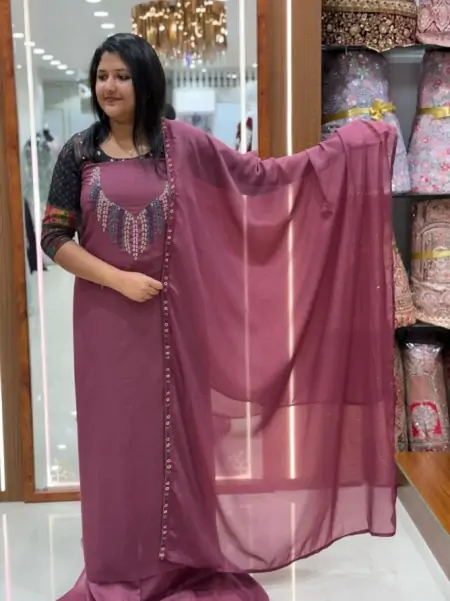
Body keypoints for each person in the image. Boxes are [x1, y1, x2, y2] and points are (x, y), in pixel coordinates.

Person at [41, 33, 397, 601]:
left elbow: (260, 178)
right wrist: (118, 279)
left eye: (122, 76)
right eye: (102, 75)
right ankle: (116, 565)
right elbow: (54, 237)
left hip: (174, 323)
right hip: (104, 324)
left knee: (174, 441)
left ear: (145, 82)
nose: (109, 86)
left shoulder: (179, 145)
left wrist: (344, 150)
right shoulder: (79, 152)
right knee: (113, 446)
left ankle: (177, 559)